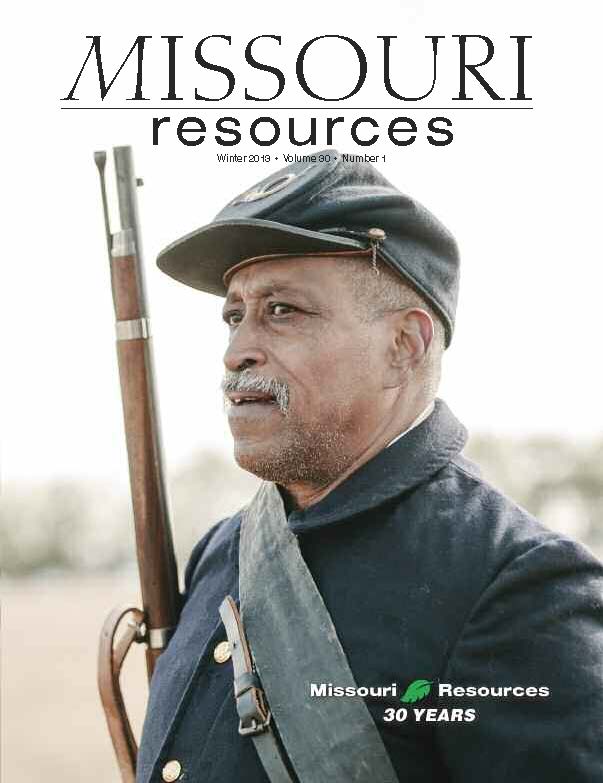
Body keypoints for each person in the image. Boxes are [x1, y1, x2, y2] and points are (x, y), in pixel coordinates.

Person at [136, 151, 603, 783]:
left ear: (403, 346)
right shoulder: (224, 549)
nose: (238, 350)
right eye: (234, 315)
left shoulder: (517, 586)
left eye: (282, 310)